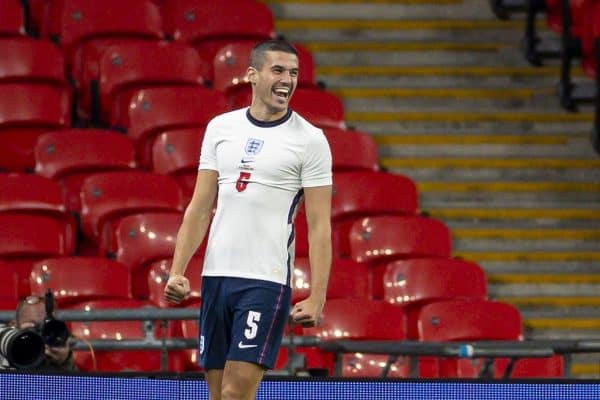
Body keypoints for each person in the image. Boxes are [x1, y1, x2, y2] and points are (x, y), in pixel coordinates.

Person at [164, 39, 332, 400]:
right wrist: (178, 269)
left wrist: (317, 296)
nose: (287, 79)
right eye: (278, 70)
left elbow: (319, 227)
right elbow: (199, 207)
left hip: (265, 281)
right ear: (252, 75)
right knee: (216, 394)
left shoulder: (311, 140)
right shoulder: (221, 128)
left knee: (236, 393)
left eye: (293, 73)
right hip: (215, 278)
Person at [0, 296, 77, 371]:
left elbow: (72, 383)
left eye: (47, 328)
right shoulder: (4, 351)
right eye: (31, 329)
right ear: (15, 326)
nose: (39, 335)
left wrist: (64, 362)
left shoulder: (56, 358)